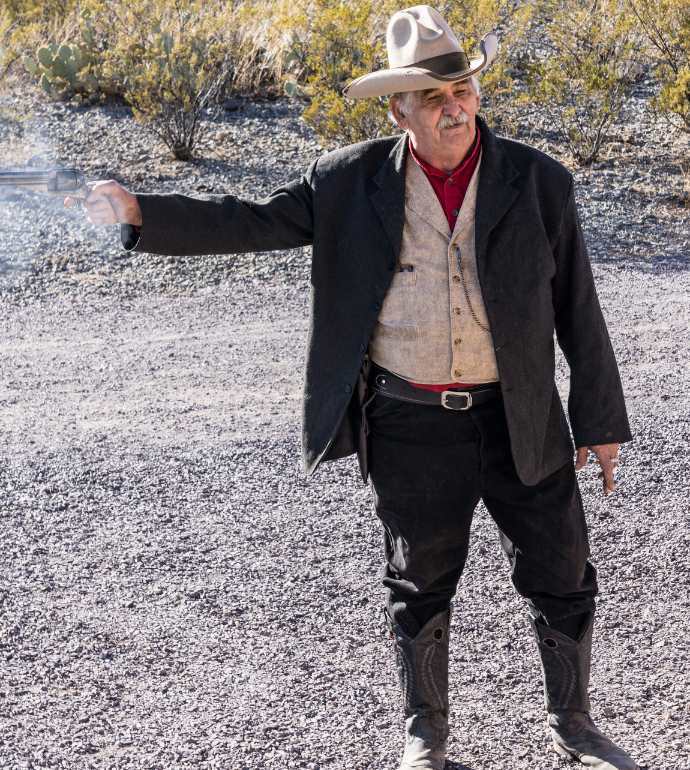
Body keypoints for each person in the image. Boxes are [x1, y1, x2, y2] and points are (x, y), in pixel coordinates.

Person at [67, 6, 637, 769]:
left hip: (520, 416)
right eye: (431, 97)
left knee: (561, 570)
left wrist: (599, 419)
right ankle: (425, 735)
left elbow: (579, 310)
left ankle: (575, 726)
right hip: (409, 420)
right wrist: (141, 213)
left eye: (461, 90)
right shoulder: (347, 182)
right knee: (420, 577)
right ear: (397, 108)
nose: (452, 107)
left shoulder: (538, 182)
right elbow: (249, 222)